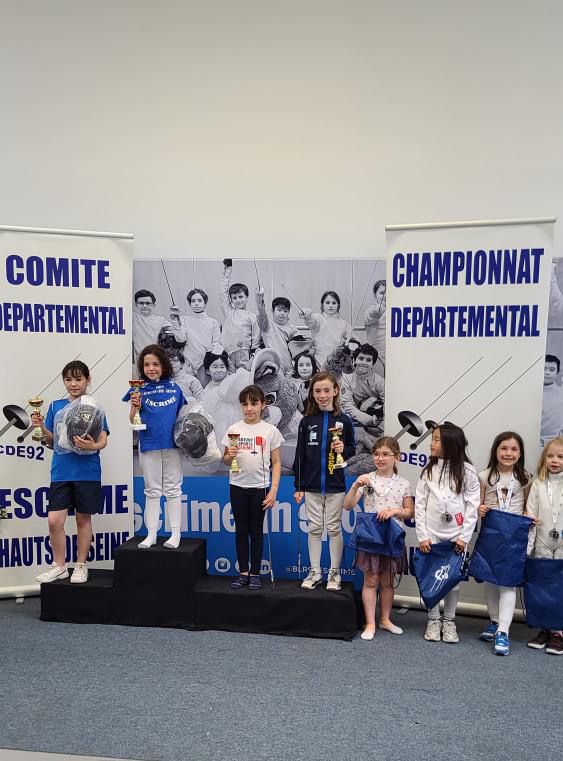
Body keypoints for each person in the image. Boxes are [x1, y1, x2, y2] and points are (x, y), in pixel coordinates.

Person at [34, 360, 109, 584]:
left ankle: (81, 565)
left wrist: (92, 446)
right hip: (61, 471)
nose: (73, 384)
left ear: (88, 380)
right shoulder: (55, 406)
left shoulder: (93, 406)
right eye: (68, 379)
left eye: (78, 379)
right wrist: (40, 426)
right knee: (54, 521)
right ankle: (59, 566)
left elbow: (103, 439)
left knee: (83, 520)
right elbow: (51, 440)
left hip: (87, 472)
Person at [415, 422, 480, 643]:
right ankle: (433, 619)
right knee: (432, 577)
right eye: (432, 439)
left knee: (453, 581)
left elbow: (472, 507)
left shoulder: (468, 471)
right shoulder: (428, 470)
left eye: (436, 439)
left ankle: (449, 621)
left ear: (450, 443)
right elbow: (420, 505)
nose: (431, 443)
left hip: (456, 537)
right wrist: (423, 535)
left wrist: (463, 538)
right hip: (432, 535)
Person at [343, 436, 414, 640]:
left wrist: (394, 511)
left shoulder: (403, 483)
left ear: (397, 457)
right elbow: (347, 505)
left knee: (387, 581)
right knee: (371, 580)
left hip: (392, 536)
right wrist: (355, 486)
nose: (380, 458)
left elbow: (410, 511)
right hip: (370, 535)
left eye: (385, 454)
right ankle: (370, 623)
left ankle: (385, 619)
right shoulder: (367, 479)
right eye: (376, 454)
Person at [293, 371, 356, 591]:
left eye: (327, 390)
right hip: (311, 486)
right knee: (314, 528)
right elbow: (300, 455)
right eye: (318, 391)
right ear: (312, 393)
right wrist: (299, 486)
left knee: (334, 528)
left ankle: (334, 573)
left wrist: (343, 449)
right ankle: (315, 571)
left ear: (335, 391)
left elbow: (352, 449)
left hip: (335, 485)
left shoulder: (344, 421)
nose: (322, 395)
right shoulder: (306, 422)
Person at [222, 385, 284, 590]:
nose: (249, 408)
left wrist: (273, 490)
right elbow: (226, 460)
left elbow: (276, 462)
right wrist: (229, 456)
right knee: (241, 530)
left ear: (263, 405)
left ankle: (255, 573)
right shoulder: (234, 429)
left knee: (256, 531)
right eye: (245, 404)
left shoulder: (270, 431)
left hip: (260, 488)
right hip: (237, 486)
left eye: (254, 403)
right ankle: (243, 573)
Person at [124, 344, 185, 549]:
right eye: (147, 364)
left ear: (164, 366)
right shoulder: (138, 390)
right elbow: (132, 420)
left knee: (173, 489)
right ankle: (151, 535)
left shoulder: (175, 389)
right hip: (148, 444)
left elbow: (183, 416)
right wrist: (134, 406)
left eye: (156, 364)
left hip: (172, 445)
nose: (151, 368)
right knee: (152, 491)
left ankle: (175, 534)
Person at [478, 431, 532, 655]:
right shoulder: (484, 476)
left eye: (514, 449)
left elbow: (528, 506)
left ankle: (503, 631)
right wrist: (480, 509)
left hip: (513, 539)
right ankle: (494, 621)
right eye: (504, 448)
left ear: (520, 453)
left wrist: (530, 516)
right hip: (491, 535)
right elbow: (477, 504)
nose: (508, 453)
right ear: (495, 451)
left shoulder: (525, 478)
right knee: (491, 579)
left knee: (507, 583)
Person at [525, 437, 563, 655]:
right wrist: (531, 520)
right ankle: (545, 629)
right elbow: (531, 513)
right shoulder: (538, 484)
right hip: (542, 542)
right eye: (550, 456)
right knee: (543, 586)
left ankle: (559, 632)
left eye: (560, 457)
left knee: (560, 586)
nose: (555, 460)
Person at [175, 288, 222, 385]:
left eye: (199, 300)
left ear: (205, 303)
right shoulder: (184, 319)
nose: (196, 303)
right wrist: (175, 321)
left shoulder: (213, 322)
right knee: (186, 388)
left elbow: (217, 342)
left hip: (205, 363)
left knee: (205, 390)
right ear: (190, 304)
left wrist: (211, 349)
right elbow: (180, 339)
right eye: (193, 301)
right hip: (188, 362)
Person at [220, 260, 260, 364]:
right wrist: (227, 272)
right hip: (226, 353)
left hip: (244, 352)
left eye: (241, 297)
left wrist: (253, 352)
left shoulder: (252, 317)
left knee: (243, 373)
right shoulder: (229, 311)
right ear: (231, 299)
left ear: (247, 298)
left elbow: (256, 337)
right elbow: (223, 293)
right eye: (234, 298)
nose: (238, 300)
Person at [300, 290, 353, 369]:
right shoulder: (318, 318)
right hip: (319, 362)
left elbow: (351, 340)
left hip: (337, 364)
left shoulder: (344, 323)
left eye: (334, 303)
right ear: (322, 305)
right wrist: (307, 314)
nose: (331, 306)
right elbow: (311, 321)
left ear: (338, 305)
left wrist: (350, 342)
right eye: (327, 303)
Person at [340, 343, 384, 434]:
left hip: (377, 421)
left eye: (368, 360)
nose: (364, 362)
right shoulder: (346, 379)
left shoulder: (379, 381)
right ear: (354, 360)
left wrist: (381, 425)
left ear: (373, 363)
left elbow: (388, 405)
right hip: (356, 420)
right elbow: (346, 403)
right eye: (361, 358)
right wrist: (368, 420)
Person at [133, 289, 185, 364]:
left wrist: (175, 319)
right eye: (141, 303)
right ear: (136, 305)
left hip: (153, 359)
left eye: (148, 303)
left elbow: (180, 338)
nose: (144, 306)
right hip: (136, 361)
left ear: (154, 305)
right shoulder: (132, 317)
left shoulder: (160, 320)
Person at [255, 289, 298, 374]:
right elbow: (261, 312)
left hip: (290, 367)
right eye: (279, 310)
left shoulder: (292, 328)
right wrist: (259, 297)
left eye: (285, 311)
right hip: (275, 365)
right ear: (272, 310)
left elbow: (300, 346)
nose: (282, 313)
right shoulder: (267, 325)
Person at [540, 354, 563, 445]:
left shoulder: (561, 393)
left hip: (555, 442)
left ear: (557, 372)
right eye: (544, 368)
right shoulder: (529, 392)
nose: (547, 372)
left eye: (552, 370)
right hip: (531, 438)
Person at [364, 279, 386, 368]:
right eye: (382, 293)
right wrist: (377, 311)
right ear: (375, 295)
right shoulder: (370, 310)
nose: (385, 296)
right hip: (377, 357)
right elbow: (371, 316)